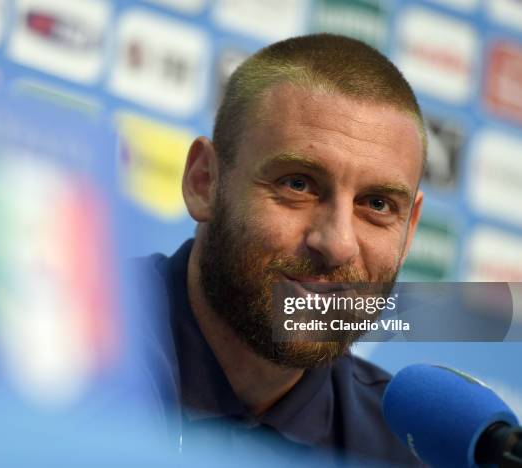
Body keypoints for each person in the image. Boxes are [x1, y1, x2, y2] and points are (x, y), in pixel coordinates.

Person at [131, 33, 425, 466]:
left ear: (410, 230)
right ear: (204, 182)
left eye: (377, 205)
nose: (337, 243)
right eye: (298, 184)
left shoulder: (403, 451)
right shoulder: (60, 345)